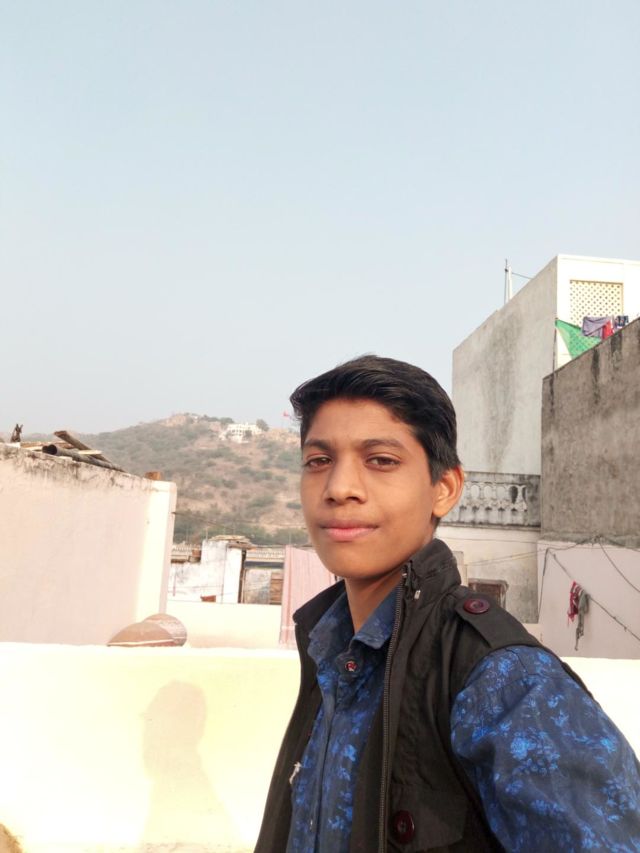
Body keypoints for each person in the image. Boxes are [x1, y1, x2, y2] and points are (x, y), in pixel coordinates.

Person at [255, 355, 640, 853]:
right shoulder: (330, 652)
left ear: (445, 489)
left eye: (381, 460)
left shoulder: (502, 678)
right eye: (318, 461)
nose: (339, 488)